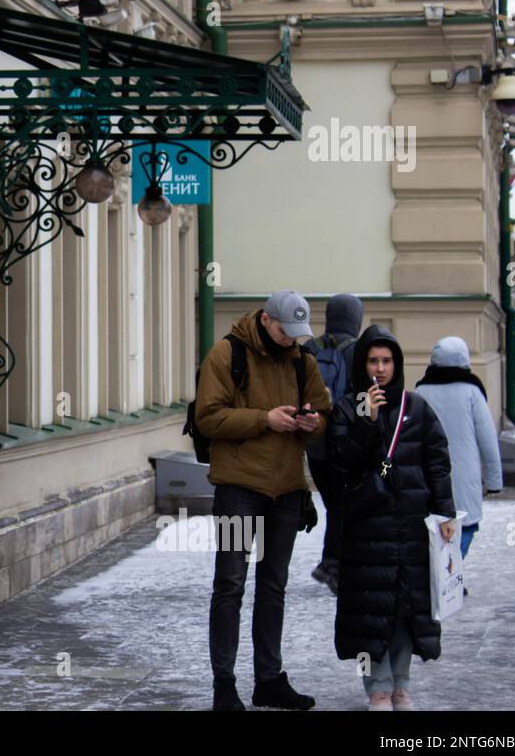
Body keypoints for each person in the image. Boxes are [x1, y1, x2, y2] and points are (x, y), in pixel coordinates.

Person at [195, 291, 332, 711]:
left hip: (286, 492)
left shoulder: (302, 360)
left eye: (297, 334)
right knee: (230, 585)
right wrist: (264, 419)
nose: (291, 340)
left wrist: (313, 423)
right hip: (238, 490)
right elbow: (208, 417)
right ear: (266, 320)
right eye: (285, 332)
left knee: (273, 587)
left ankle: (268, 680)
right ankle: (224, 685)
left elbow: (323, 417)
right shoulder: (226, 353)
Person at [328, 325, 456, 711]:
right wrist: (366, 421)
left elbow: (437, 462)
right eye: (372, 360)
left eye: (386, 361)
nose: (379, 369)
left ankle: (400, 685)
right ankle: (377, 689)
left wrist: (444, 511)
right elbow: (340, 463)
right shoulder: (348, 408)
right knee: (371, 612)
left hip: (411, 526)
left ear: (397, 365)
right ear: (361, 364)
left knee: (404, 611)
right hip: (367, 528)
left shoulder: (416, 408)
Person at [415, 337, 503, 564]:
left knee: (435, 528)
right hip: (466, 477)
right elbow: (487, 439)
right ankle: (451, 574)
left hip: (429, 476)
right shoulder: (472, 391)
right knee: (466, 527)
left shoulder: (421, 390)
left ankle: (443, 575)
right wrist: (494, 482)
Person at [306, 294, 364, 596]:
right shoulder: (357, 351)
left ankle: (333, 563)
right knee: (345, 506)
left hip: (315, 444)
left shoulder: (310, 348)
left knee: (335, 505)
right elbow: (364, 398)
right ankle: (332, 564)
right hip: (345, 444)